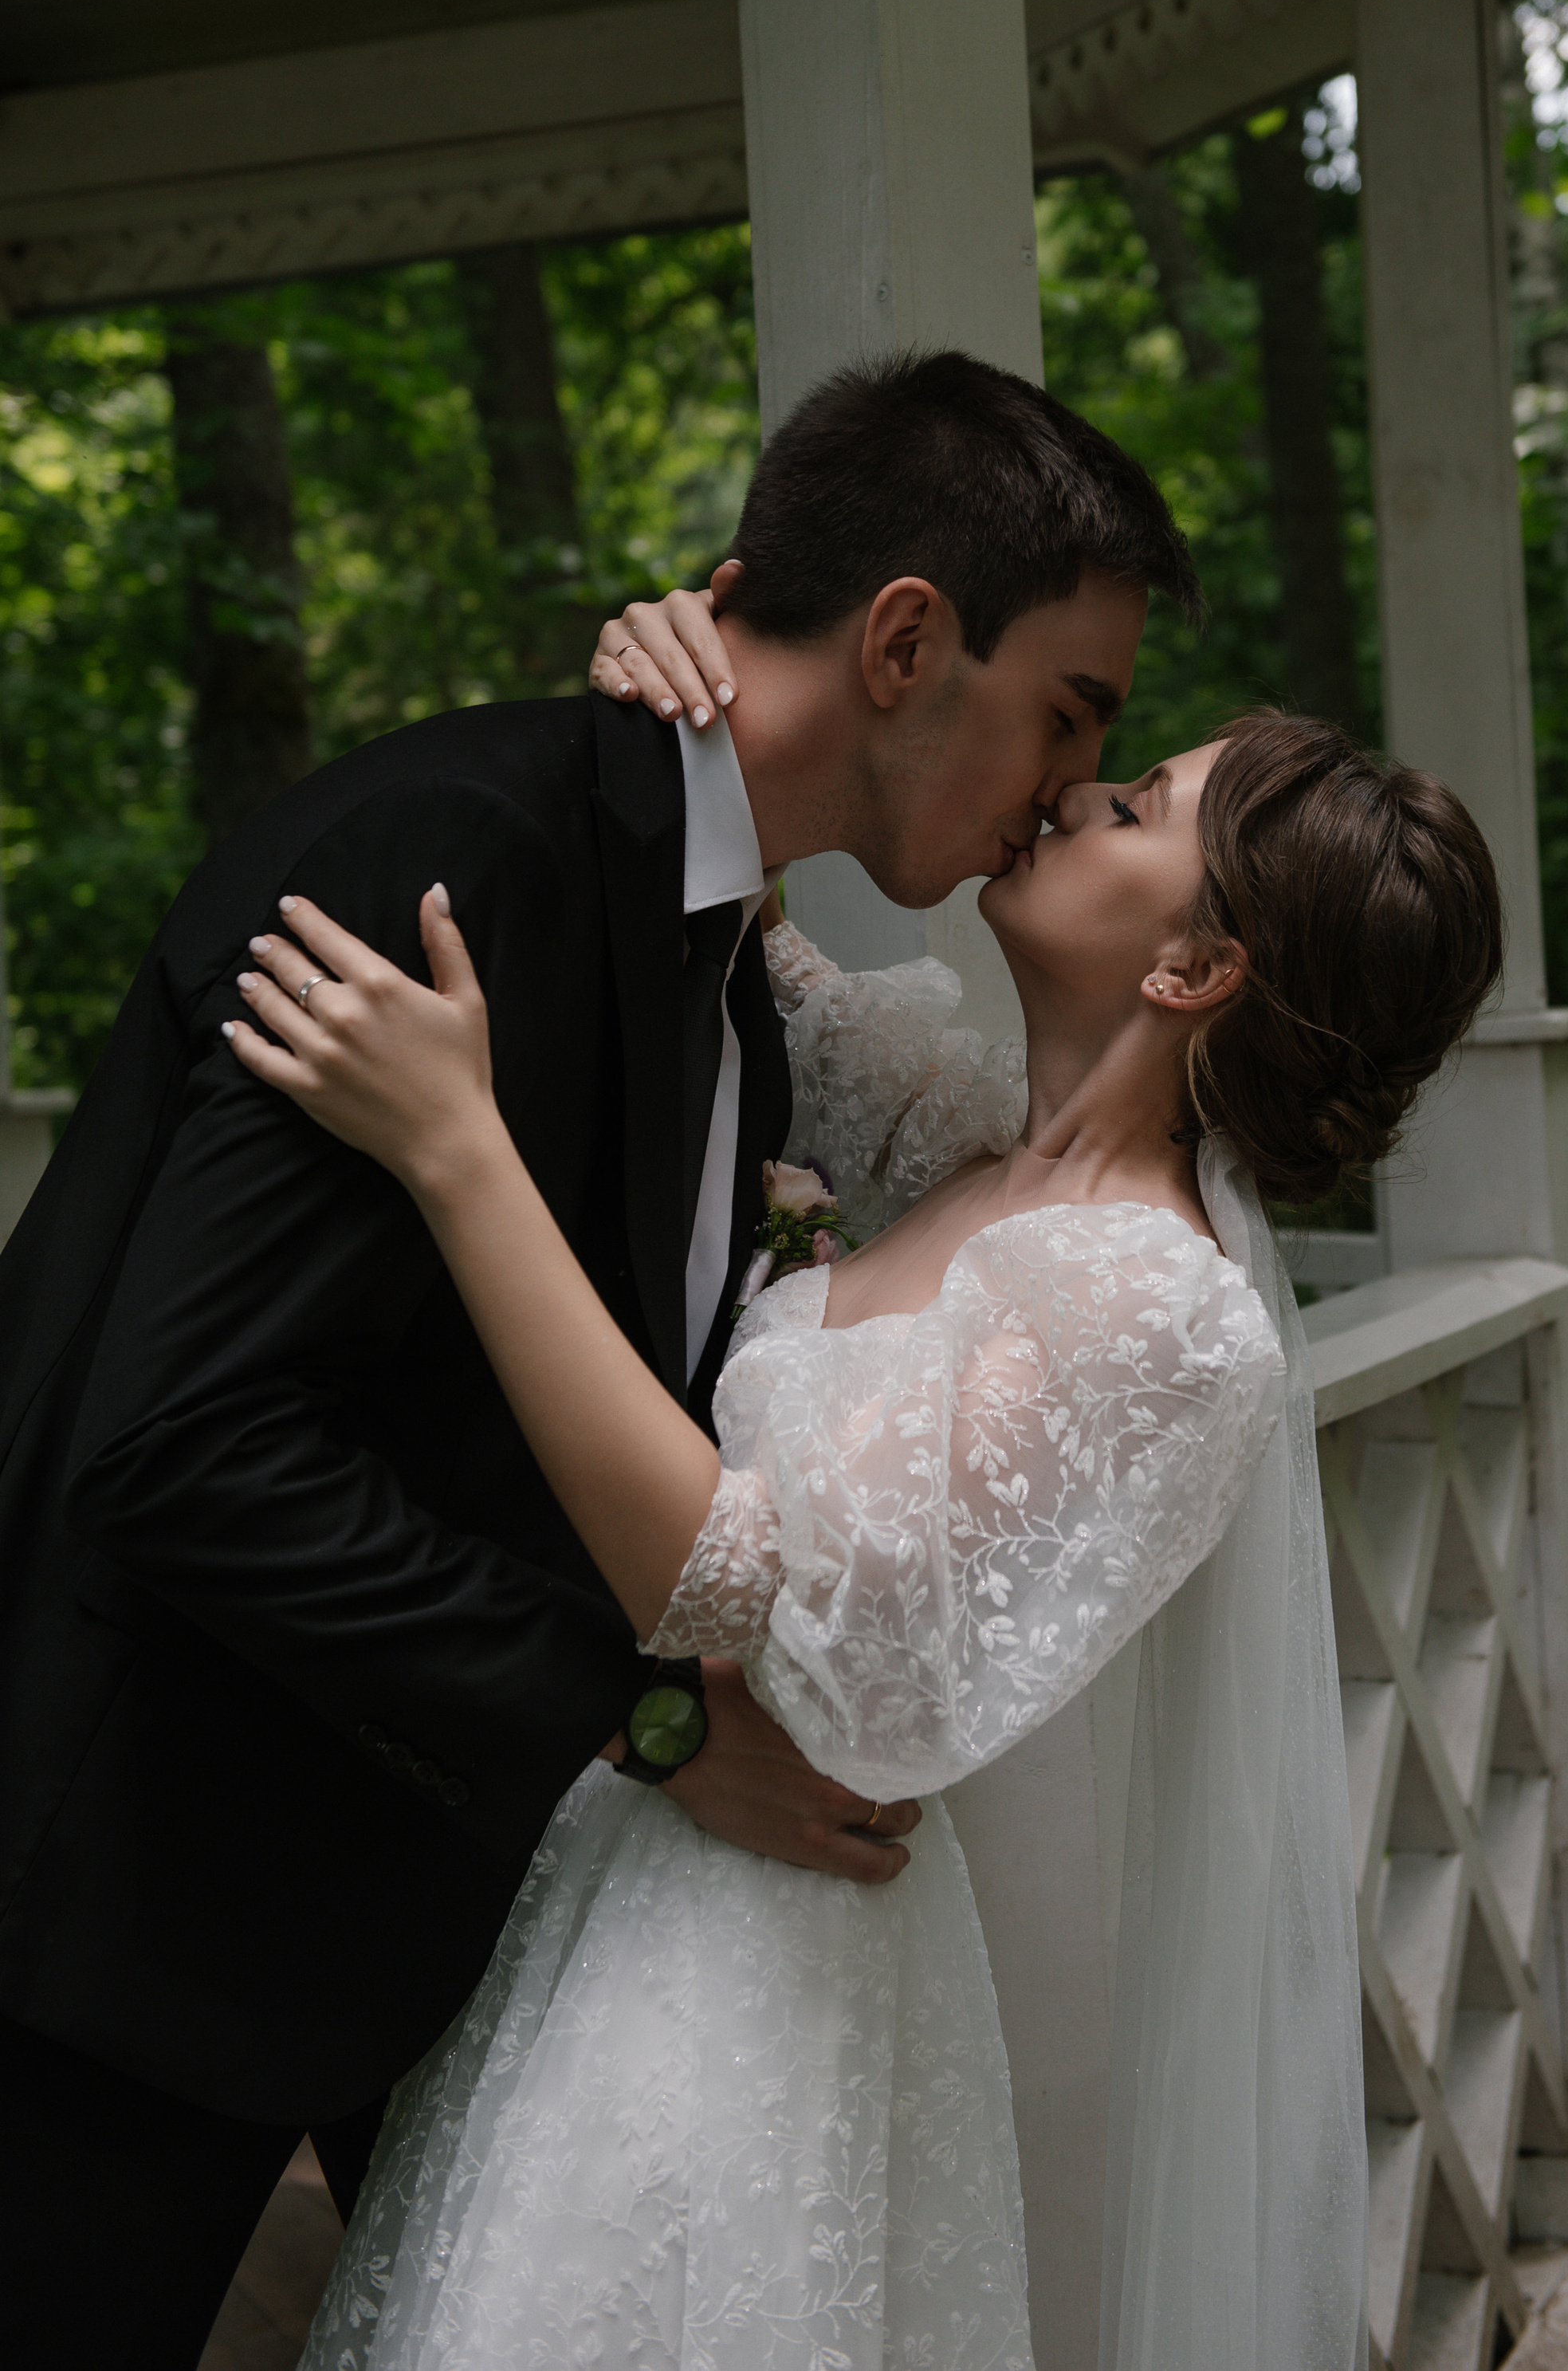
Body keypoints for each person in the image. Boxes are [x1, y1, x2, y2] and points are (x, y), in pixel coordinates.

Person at [0, 352, 1199, 2371]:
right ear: (907, 638)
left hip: (404, 1924)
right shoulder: (451, 864)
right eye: (1069, 708)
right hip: (115, 1915)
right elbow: (187, 1446)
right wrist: (635, 1719)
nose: (1068, 780)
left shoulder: (725, 956)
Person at [223, 693, 1503, 2371]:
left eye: (1130, 806)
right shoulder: (960, 1138)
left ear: (1193, 968)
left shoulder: (1163, 1317)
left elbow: (776, 1617)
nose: (1066, 795)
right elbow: (732, 888)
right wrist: (683, 678)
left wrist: (458, 1152)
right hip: (619, 1912)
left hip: (774, 1998)